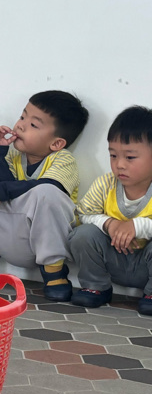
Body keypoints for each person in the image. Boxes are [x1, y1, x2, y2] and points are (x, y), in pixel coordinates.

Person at [0, 91, 88, 301]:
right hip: (5, 238)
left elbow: (48, 186)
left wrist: (3, 191)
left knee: (46, 192)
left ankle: (54, 274)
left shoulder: (63, 160)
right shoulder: (14, 155)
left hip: (41, 247)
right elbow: (2, 184)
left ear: (56, 144)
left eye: (33, 125)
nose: (20, 126)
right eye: (22, 116)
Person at [69, 106, 152, 316]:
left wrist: (137, 226)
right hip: (113, 260)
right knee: (82, 234)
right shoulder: (106, 184)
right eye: (113, 155)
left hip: (146, 265)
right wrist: (110, 224)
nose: (119, 164)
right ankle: (96, 287)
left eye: (130, 157)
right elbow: (83, 213)